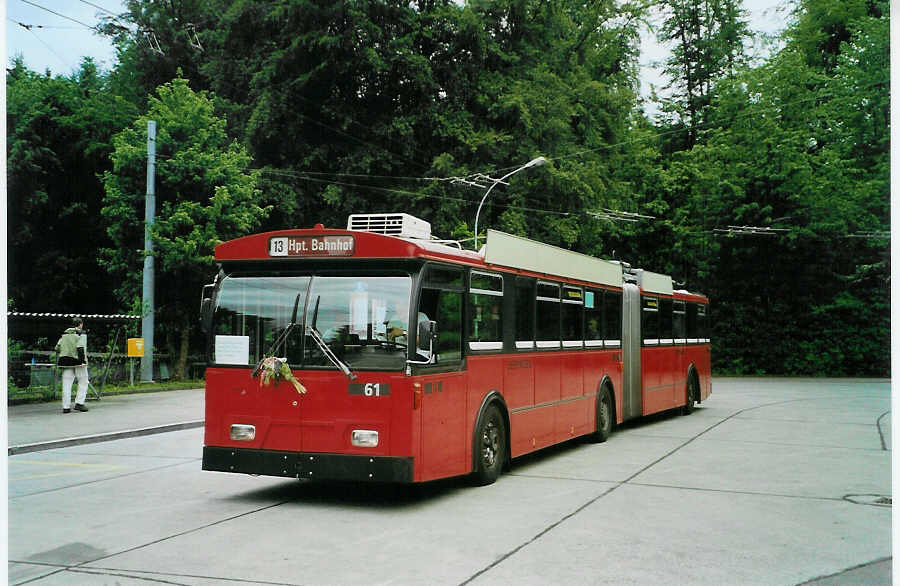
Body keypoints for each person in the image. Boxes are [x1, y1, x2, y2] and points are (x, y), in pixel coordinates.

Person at [55, 317, 89, 414]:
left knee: (66, 383)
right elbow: (80, 347)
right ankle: (79, 403)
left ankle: (66, 407)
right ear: (80, 324)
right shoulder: (81, 333)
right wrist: (82, 361)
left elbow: (57, 347)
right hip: (78, 361)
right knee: (83, 381)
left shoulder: (64, 334)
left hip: (65, 362)